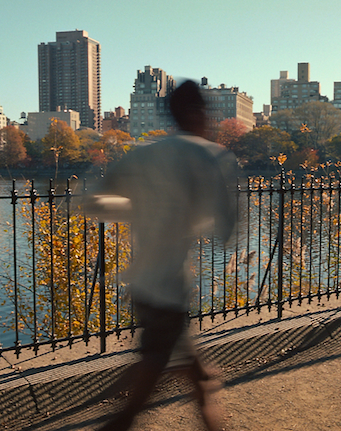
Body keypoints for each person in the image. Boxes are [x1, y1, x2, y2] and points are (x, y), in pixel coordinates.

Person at [87, 80, 239, 431]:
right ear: (198, 113)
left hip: (140, 282)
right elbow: (228, 228)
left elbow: (96, 197)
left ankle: (205, 400)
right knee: (156, 361)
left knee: (189, 366)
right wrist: (192, 217)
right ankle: (120, 422)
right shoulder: (212, 155)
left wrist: (143, 207)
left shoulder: (144, 153)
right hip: (170, 286)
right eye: (208, 113)